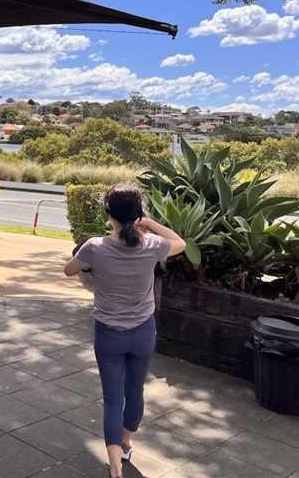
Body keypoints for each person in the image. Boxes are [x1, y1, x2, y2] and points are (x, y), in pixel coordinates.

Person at [64, 184, 185, 478]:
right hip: (143, 331)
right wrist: (149, 222)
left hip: (109, 334)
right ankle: (127, 443)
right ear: (138, 213)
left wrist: (84, 259)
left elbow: (69, 270)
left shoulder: (95, 247)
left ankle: (116, 466)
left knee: (112, 399)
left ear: (109, 213)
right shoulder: (152, 245)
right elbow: (181, 243)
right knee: (135, 392)